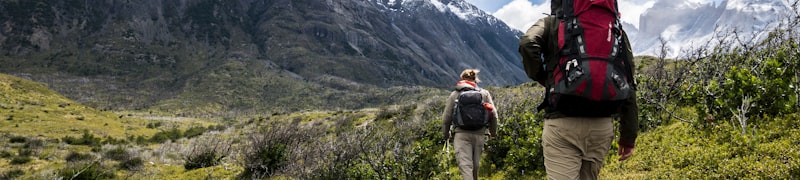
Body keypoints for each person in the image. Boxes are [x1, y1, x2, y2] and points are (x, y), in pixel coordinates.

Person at [518, 0, 639, 179]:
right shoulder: (615, 30)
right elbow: (628, 80)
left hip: (562, 123)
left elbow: (527, 43)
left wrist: (542, 77)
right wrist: (628, 137)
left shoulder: (552, 23)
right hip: (601, 126)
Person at [442, 69, 499, 180]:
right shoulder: (484, 93)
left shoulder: (455, 94)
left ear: (462, 79)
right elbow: (494, 114)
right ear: (475, 80)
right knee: (475, 166)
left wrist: (445, 135)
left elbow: (446, 118)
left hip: (461, 135)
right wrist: (493, 133)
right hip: (480, 134)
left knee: (466, 166)